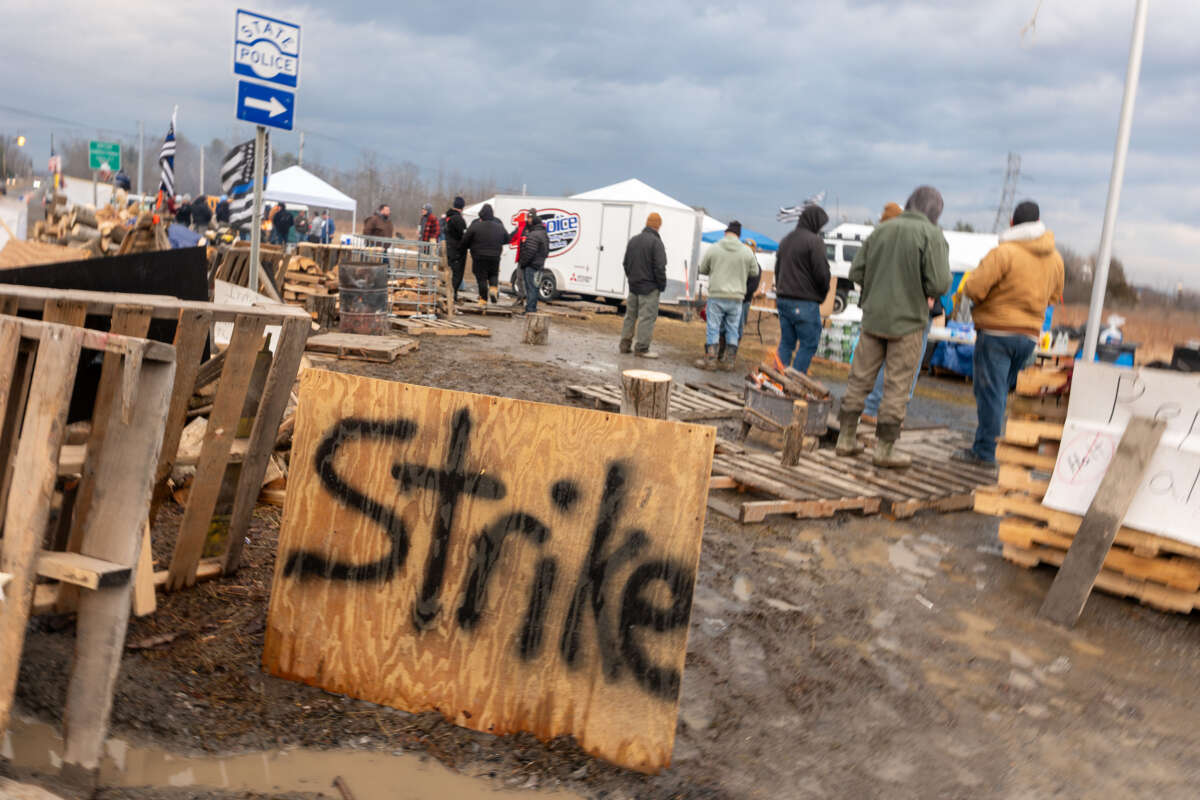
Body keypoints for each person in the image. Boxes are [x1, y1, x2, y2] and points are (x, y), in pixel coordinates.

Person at [836, 186, 951, 468]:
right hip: (908, 322)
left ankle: (846, 439)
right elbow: (939, 284)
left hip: (874, 317)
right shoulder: (932, 235)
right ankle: (884, 449)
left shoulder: (881, 230)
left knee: (859, 379)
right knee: (897, 385)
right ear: (935, 212)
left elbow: (855, 272)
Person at [953, 200, 1065, 466]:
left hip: (996, 332)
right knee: (1002, 392)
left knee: (991, 393)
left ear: (1012, 223)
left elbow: (974, 287)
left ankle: (985, 452)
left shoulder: (1004, 253)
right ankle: (998, 445)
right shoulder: (1056, 259)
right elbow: (1054, 296)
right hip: (1029, 337)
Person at [863, 200, 922, 418]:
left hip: (877, 310)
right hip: (904, 314)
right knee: (899, 366)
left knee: (876, 363)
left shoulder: (877, 239)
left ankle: (870, 409)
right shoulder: (907, 241)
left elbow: (860, 272)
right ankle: (884, 411)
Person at [774, 204, 831, 373]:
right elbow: (822, 274)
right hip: (804, 302)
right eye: (821, 224)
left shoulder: (786, 239)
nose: (821, 228)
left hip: (784, 299)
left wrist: (781, 291)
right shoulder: (814, 242)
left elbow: (778, 271)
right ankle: (794, 381)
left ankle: (776, 379)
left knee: (786, 343)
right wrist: (821, 295)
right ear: (814, 222)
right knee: (808, 344)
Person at [695, 221, 759, 371]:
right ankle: (729, 362)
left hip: (717, 295)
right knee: (732, 329)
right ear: (739, 235)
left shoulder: (714, 248)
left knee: (713, 327)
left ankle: (710, 360)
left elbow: (703, 269)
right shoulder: (747, 252)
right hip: (736, 298)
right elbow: (755, 272)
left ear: (726, 232)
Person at [619, 212, 668, 358]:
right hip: (650, 288)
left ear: (647, 223)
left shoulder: (633, 240)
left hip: (634, 286)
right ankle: (641, 348)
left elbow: (625, 263)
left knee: (630, 316)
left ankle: (624, 344)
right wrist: (661, 285)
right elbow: (660, 267)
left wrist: (631, 278)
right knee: (647, 318)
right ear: (658, 225)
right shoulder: (656, 243)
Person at [460, 203, 509, 307]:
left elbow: (465, 240)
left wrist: (467, 247)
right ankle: (493, 288)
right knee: (493, 274)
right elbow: (507, 239)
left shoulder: (475, 226)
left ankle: (483, 299)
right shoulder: (499, 226)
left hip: (479, 256)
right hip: (495, 256)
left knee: (481, 277)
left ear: (481, 215)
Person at [517, 208, 549, 314]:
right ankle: (532, 308)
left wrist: (523, 263)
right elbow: (546, 250)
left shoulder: (533, 235)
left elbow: (529, 252)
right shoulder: (544, 234)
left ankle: (530, 309)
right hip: (539, 265)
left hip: (532, 266)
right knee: (535, 288)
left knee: (530, 288)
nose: (528, 221)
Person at [443, 196, 468, 302]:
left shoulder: (448, 217)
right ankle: (452, 294)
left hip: (449, 248)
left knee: (448, 272)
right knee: (457, 273)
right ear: (462, 207)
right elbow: (462, 234)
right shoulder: (458, 219)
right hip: (457, 250)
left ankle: (448, 292)